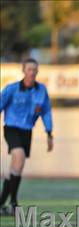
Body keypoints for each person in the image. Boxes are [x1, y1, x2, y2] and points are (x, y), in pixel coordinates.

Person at [0, 58, 53, 215]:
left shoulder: (41, 90)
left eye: (35, 70)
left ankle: (3, 203)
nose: (32, 72)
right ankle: (14, 203)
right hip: (11, 128)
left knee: (16, 167)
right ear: (23, 70)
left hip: (27, 131)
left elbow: (46, 112)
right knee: (19, 156)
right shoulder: (11, 89)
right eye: (29, 69)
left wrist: (49, 133)